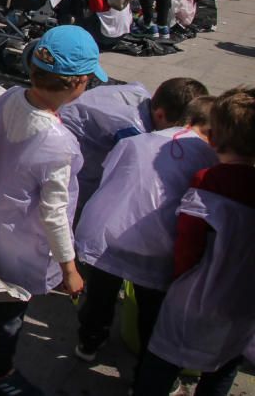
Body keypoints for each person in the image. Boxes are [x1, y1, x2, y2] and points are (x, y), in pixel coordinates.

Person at [0, 25, 105, 395]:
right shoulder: (58, 143)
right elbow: (55, 213)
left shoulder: (9, 96)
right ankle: (0, 370)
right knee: (10, 312)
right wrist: (69, 267)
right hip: (17, 244)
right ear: (78, 83)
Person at [74, 96, 218, 369]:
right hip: (156, 244)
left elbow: (110, 175)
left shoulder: (135, 141)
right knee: (150, 308)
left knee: (99, 296)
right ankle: (146, 367)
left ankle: (88, 343)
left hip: (108, 234)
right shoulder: (208, 158)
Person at [134, 88, 255, 396]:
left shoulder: (208, 180)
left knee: (163, 358)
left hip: (199, 292)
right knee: (224, 364)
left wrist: (176, 278)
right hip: (243, 300)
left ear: (213, 139)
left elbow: (189, 241)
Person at [60, 76, 208, 212]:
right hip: (68, 155)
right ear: (160, 115)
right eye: (177, 126)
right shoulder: (131, 129)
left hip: (70, 122)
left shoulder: (140, 93)